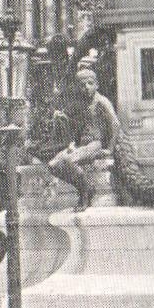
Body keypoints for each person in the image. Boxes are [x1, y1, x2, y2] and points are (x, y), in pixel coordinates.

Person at [47, 62, 121, 211]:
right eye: (82, 85)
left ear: (97, 85)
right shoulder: (81, 103)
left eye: (90, 83)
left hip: (94, 143)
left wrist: (110, 149)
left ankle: (85, 192)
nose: (86, 87)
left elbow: (115, 124)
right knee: (53, 165)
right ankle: (84, 186)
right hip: (81, 144)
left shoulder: (101, 101)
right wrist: (71, 139)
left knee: (68, 161)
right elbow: (77, 127)